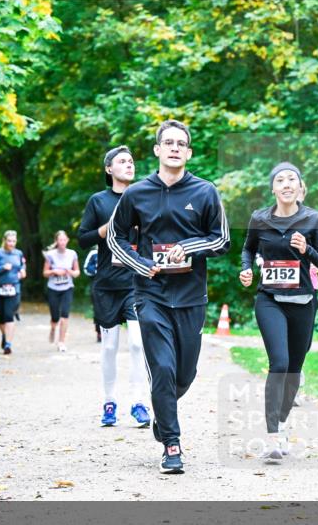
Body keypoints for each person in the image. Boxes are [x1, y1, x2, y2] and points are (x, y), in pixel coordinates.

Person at [108, 120, 230, 473]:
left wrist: (187, 247)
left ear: (188, 153)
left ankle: (163, 413)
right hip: (151, 295)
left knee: (183, 375)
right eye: (168, 143)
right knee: (162, 367)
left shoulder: (206, 192)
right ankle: (172, 445)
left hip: (191, 296)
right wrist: (142, 264)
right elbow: (115, 238)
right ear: (158, 150)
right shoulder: (137, 194)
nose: (175, 148)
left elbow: (221, 240)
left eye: (181, 144)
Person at [239, 163, 318, 460]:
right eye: (280, 179)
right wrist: (246, 269)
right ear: (273, 188)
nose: (286, 183)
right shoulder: (260, 219)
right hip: (269, 299)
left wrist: (307, 250)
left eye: (292, 179)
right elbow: (247, 249)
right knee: (278, 363)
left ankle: (280, 422)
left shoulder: (312, 219)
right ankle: (271, 437)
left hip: (303, 302)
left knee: (293, 370)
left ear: (299, 186)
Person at [78, 146, 151, 427]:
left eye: (131, 161)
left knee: (137, 343)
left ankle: (138, 403)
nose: (129, 164)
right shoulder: (98, 201)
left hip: (137, 283)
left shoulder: (144, 199)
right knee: (109, 347)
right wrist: (104, 230)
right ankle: (109, 403)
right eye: (122, 161)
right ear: (109, 169)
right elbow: (83, 239)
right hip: (107, 285)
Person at [0, 230, 27, 355]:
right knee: (2, 317)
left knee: (9, 315)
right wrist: (1, 268)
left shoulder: (18, 253)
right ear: (4, 241)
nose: (12, 243)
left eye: (14, 241)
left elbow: (22, 265)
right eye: (9, 241)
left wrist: (23, 271)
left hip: (14, 288)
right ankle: (5, 335)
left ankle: (8, 344)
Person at [42, 230, 80, 352]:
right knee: (55, 317)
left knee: (64, 316)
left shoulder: (72, 254)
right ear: (56, 241)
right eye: (60, 240)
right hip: (53, 288)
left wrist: (71, 272)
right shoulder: (51, 255)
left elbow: (77, 272)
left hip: (67, 288)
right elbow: (45, 273)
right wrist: (54, 272)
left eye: (64, 240)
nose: (62, 242)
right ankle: (53, 328)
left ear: (67, 240)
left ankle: (61, 341)